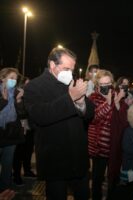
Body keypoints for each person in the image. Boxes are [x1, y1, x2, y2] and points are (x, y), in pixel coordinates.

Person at [23, 47, 95, 200]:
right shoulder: (34, 86)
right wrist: (70, 98)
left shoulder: (71, 82)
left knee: (82, 195)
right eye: (66, 68)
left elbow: (89, 113)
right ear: (52, 65)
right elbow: (40, 115)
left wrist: (82, 103)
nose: (70, 73)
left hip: (78, 156)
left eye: (72, 69)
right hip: (55, 158)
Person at [88, 69, 128, 200]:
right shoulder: (92, 98)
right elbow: (93, 118)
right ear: (97, 85)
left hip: (114, 144)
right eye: (102, 84)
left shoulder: (118, 96)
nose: (106, 86)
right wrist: (108, 102)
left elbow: (124, 121)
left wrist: (116, 103)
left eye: (108, 83)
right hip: (98, 145)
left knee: (113, 177)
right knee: (97, 179)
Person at [0, 68, 25, 192]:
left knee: (7, 164)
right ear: (2, 78)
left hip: (11, 134)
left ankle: (5, 189)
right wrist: (4, 100)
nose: (13, 81)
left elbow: (22, 113)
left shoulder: (16, 93)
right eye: (11, 78)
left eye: (15, 79)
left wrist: (19, 100)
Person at [13, 76, 37, 186]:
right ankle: (16, 175)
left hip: (29, 126)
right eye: (26, 84)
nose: (29, 86)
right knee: (18, 153)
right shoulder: (17, 94)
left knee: (28, 150)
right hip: (19, 128)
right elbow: (21, 112)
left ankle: (27, 170)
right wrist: (20, 99)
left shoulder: (29, 95)